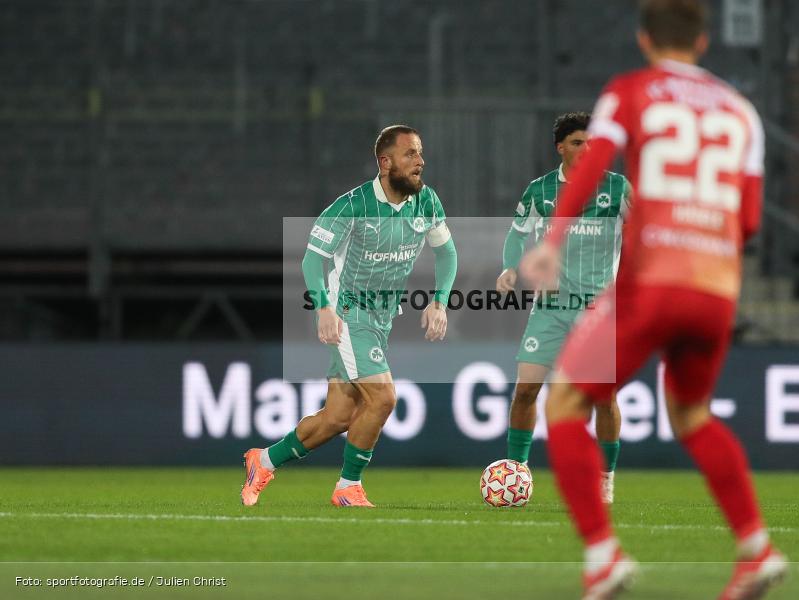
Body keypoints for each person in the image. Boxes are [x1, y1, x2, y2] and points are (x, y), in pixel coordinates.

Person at [520, 1, 787, 598]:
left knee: (563, 405)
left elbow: (592, 170)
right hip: (716, 288)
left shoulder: (631, 91)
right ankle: (755, 546)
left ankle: (604, 556)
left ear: (644, 39)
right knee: (692, 416)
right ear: (703, 41)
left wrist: (553, 240)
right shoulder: (743, 113)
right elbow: (747, 220)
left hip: (650, 281)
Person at [241, 125, 457, 508]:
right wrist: (323, 308)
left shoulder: (427, 201)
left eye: (420, 153)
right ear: (385, 162)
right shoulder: (350, 206)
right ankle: (348, 487)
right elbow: (312, 259)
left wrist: (439, 301)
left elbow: (447, 254)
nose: (420, 161)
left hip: (382, 319)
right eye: (410, 154)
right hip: (347, 315)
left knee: (337, 417)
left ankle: (264, 460)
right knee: (384, 397)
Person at [496, 112, 630, 503]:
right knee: (525, 392)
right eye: (577, 143)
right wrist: (508, 267)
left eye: (592, 143)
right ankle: (515, 474)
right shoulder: (540, 191)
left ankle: (605, 477)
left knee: (604, 398)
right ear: (561, 148)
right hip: (550, 307)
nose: (586, 149)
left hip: (597, 311)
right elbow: (517, 234)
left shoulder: (617, 189)